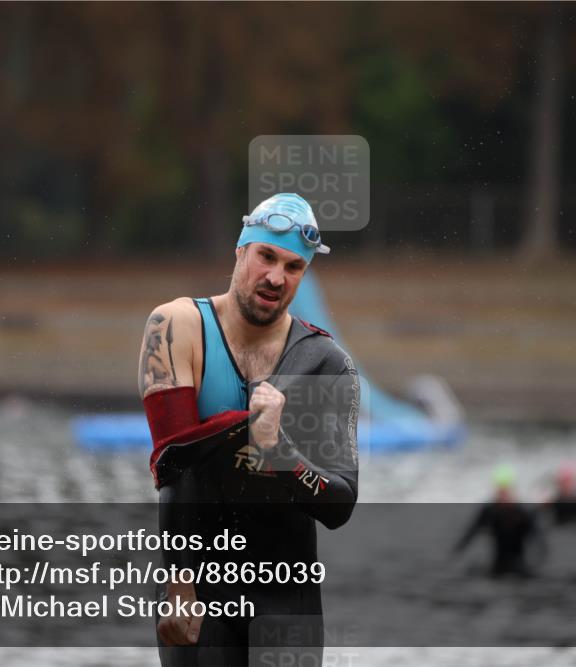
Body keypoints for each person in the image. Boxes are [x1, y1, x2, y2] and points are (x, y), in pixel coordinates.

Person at [137, 193, 361, 666]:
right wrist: (179, 580)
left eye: (293, 266)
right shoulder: (177, 326)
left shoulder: (327, 362)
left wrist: (279, 451)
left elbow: (340, 503)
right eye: (266, 256)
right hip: (196, 588)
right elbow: (173, 461)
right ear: (240, 251)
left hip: (287, 596)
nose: (276, 277)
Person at [452, 464, 546, 578]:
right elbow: (471, 533)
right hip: (497, 566)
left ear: (513, 489)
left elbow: (539, 540)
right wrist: (455, 553)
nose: (503, 493)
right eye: (500, 489)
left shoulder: (523, 512)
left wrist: (538, 562)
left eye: (506, 489)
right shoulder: (489, 510)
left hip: (519, 566)